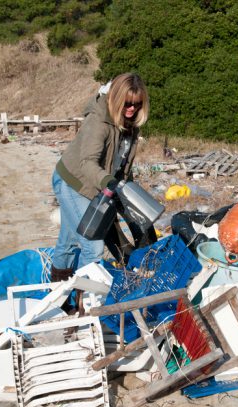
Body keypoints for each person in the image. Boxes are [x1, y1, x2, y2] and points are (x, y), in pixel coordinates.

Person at [50, 73, 153, 313]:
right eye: (127, 103)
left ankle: (58, 297)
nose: (131, 108)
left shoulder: (131, 124)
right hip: (74, 182)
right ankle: (84, 305)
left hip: (97, 184)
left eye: (137, 104)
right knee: (92, 247)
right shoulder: (99, 121)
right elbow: (88, 162)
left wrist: (127, 192)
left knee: (67, 243)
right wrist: (109, 182)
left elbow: (122, 164)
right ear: (116, 99)